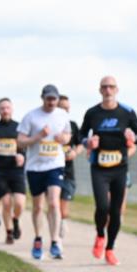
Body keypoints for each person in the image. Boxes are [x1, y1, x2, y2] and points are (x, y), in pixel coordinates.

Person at [79, 76, 137, 266]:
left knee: (116, 211)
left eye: (111, 87)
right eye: (104, 87)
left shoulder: (127, 112)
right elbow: (81, 134)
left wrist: (134, 137)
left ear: (117, 90)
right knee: (102, 207)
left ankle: (110, 248)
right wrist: (87, 142)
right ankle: (100, 235)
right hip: (99, 168)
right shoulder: (92, 113)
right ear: (100, 90)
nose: (108, 90)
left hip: (120, 167)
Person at [18, 84, 71, 260]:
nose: (51, 102)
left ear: (57, 99)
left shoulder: (62, 115)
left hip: (55, 164)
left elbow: (67, 135)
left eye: (54, 99)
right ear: (42, 98)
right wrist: (38, 137)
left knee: (54, 203)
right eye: (48, 98)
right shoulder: (31, 116)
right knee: (38, 206)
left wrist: (64, 139)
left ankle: (55, 241)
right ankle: (38, 238)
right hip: (35, 167)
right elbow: (20, 142)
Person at [0, 98, 26, 244]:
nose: (5, 111)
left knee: (20, 203)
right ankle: (8, 232)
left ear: (12, 109)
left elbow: (27, 147)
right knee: (6, 203)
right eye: (2, 108)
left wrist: (22, 155)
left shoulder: (20, 127)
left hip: (16, 171)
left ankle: (15, 220)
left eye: (7, 108)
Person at [57, 95, 81, 240]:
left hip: (68, 171)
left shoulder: (72, 125)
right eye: (62, 107)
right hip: (51, 169)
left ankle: (62, 221)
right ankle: (56, 234)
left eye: (67, 108)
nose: (65, 111)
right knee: (54, 204)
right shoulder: (49, 125)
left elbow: (80, 144)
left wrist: (74, 152)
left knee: (63, 208)